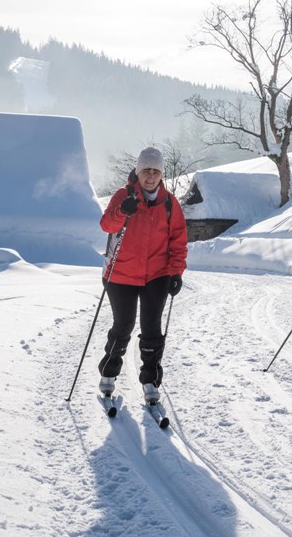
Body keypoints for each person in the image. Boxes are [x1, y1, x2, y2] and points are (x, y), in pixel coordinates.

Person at [98, 147, 188, 403]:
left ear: (162, 174)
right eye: (146, 170)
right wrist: (122, 211)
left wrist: (176, 272)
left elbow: (179, 240)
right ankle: (108, 374)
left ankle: (150, 380)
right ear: (138, 172)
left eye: (156, 171)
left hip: (156, 275)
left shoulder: (169, 202)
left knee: (152, 329)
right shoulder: (123, 195)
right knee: (123, 325)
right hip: (120, 273)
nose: (150, 176)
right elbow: (107, 225)